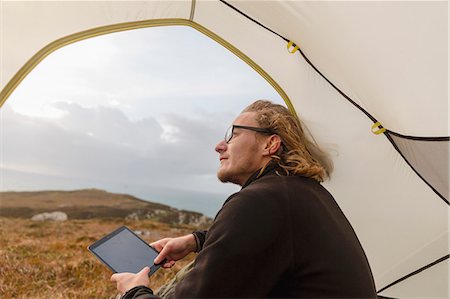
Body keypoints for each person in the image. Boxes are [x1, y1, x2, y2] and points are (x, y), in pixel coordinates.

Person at [111, 100, 377, 298]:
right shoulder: (301, 192)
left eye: (234, 134)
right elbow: (268, 240)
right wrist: (196, 241)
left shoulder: (260, 201)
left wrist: (134, 292)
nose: (220, 145)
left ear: (270, 145)